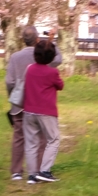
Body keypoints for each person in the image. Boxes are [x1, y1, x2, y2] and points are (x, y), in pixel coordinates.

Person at [5, 25, 61, 180]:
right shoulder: (42, 56)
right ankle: (38, 171)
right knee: (42, 137)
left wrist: (14, 98)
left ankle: (16, 171)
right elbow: (58, 59)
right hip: (38, 103)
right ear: (37, 39)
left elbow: (9, 81)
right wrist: (51, 40)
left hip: (18, 104)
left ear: (23, 40)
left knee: (19, 137)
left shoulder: (15, 57)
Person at [23, 37, 63, 184]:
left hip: (29, 110)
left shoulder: (29, 69)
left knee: (31, 142)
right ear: (51, 57)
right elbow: (61, 85)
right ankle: (45, 171)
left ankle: (32, 175)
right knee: (53, 139)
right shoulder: (52, 73)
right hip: (46, 112)